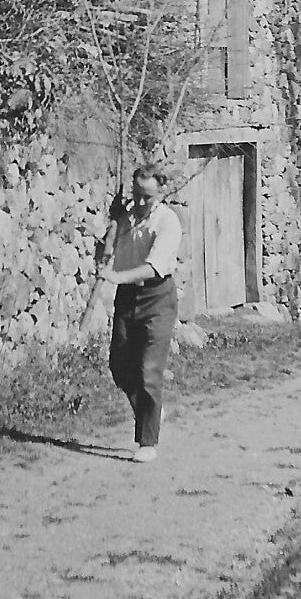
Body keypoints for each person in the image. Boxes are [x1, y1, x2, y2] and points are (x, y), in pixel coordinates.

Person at [97, 165, 182, 463]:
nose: (141, 201)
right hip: (127, 297)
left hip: (157, 298)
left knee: (149, 370)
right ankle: (151, 411)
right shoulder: (125, 218)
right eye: (137, 195)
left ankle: (147, 442)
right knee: (120, 365)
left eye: (148, 197)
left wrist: (116, 277)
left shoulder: (167, 221)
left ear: (160, 193)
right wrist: (108, 236)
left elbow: (153, 267)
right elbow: (106, 250)